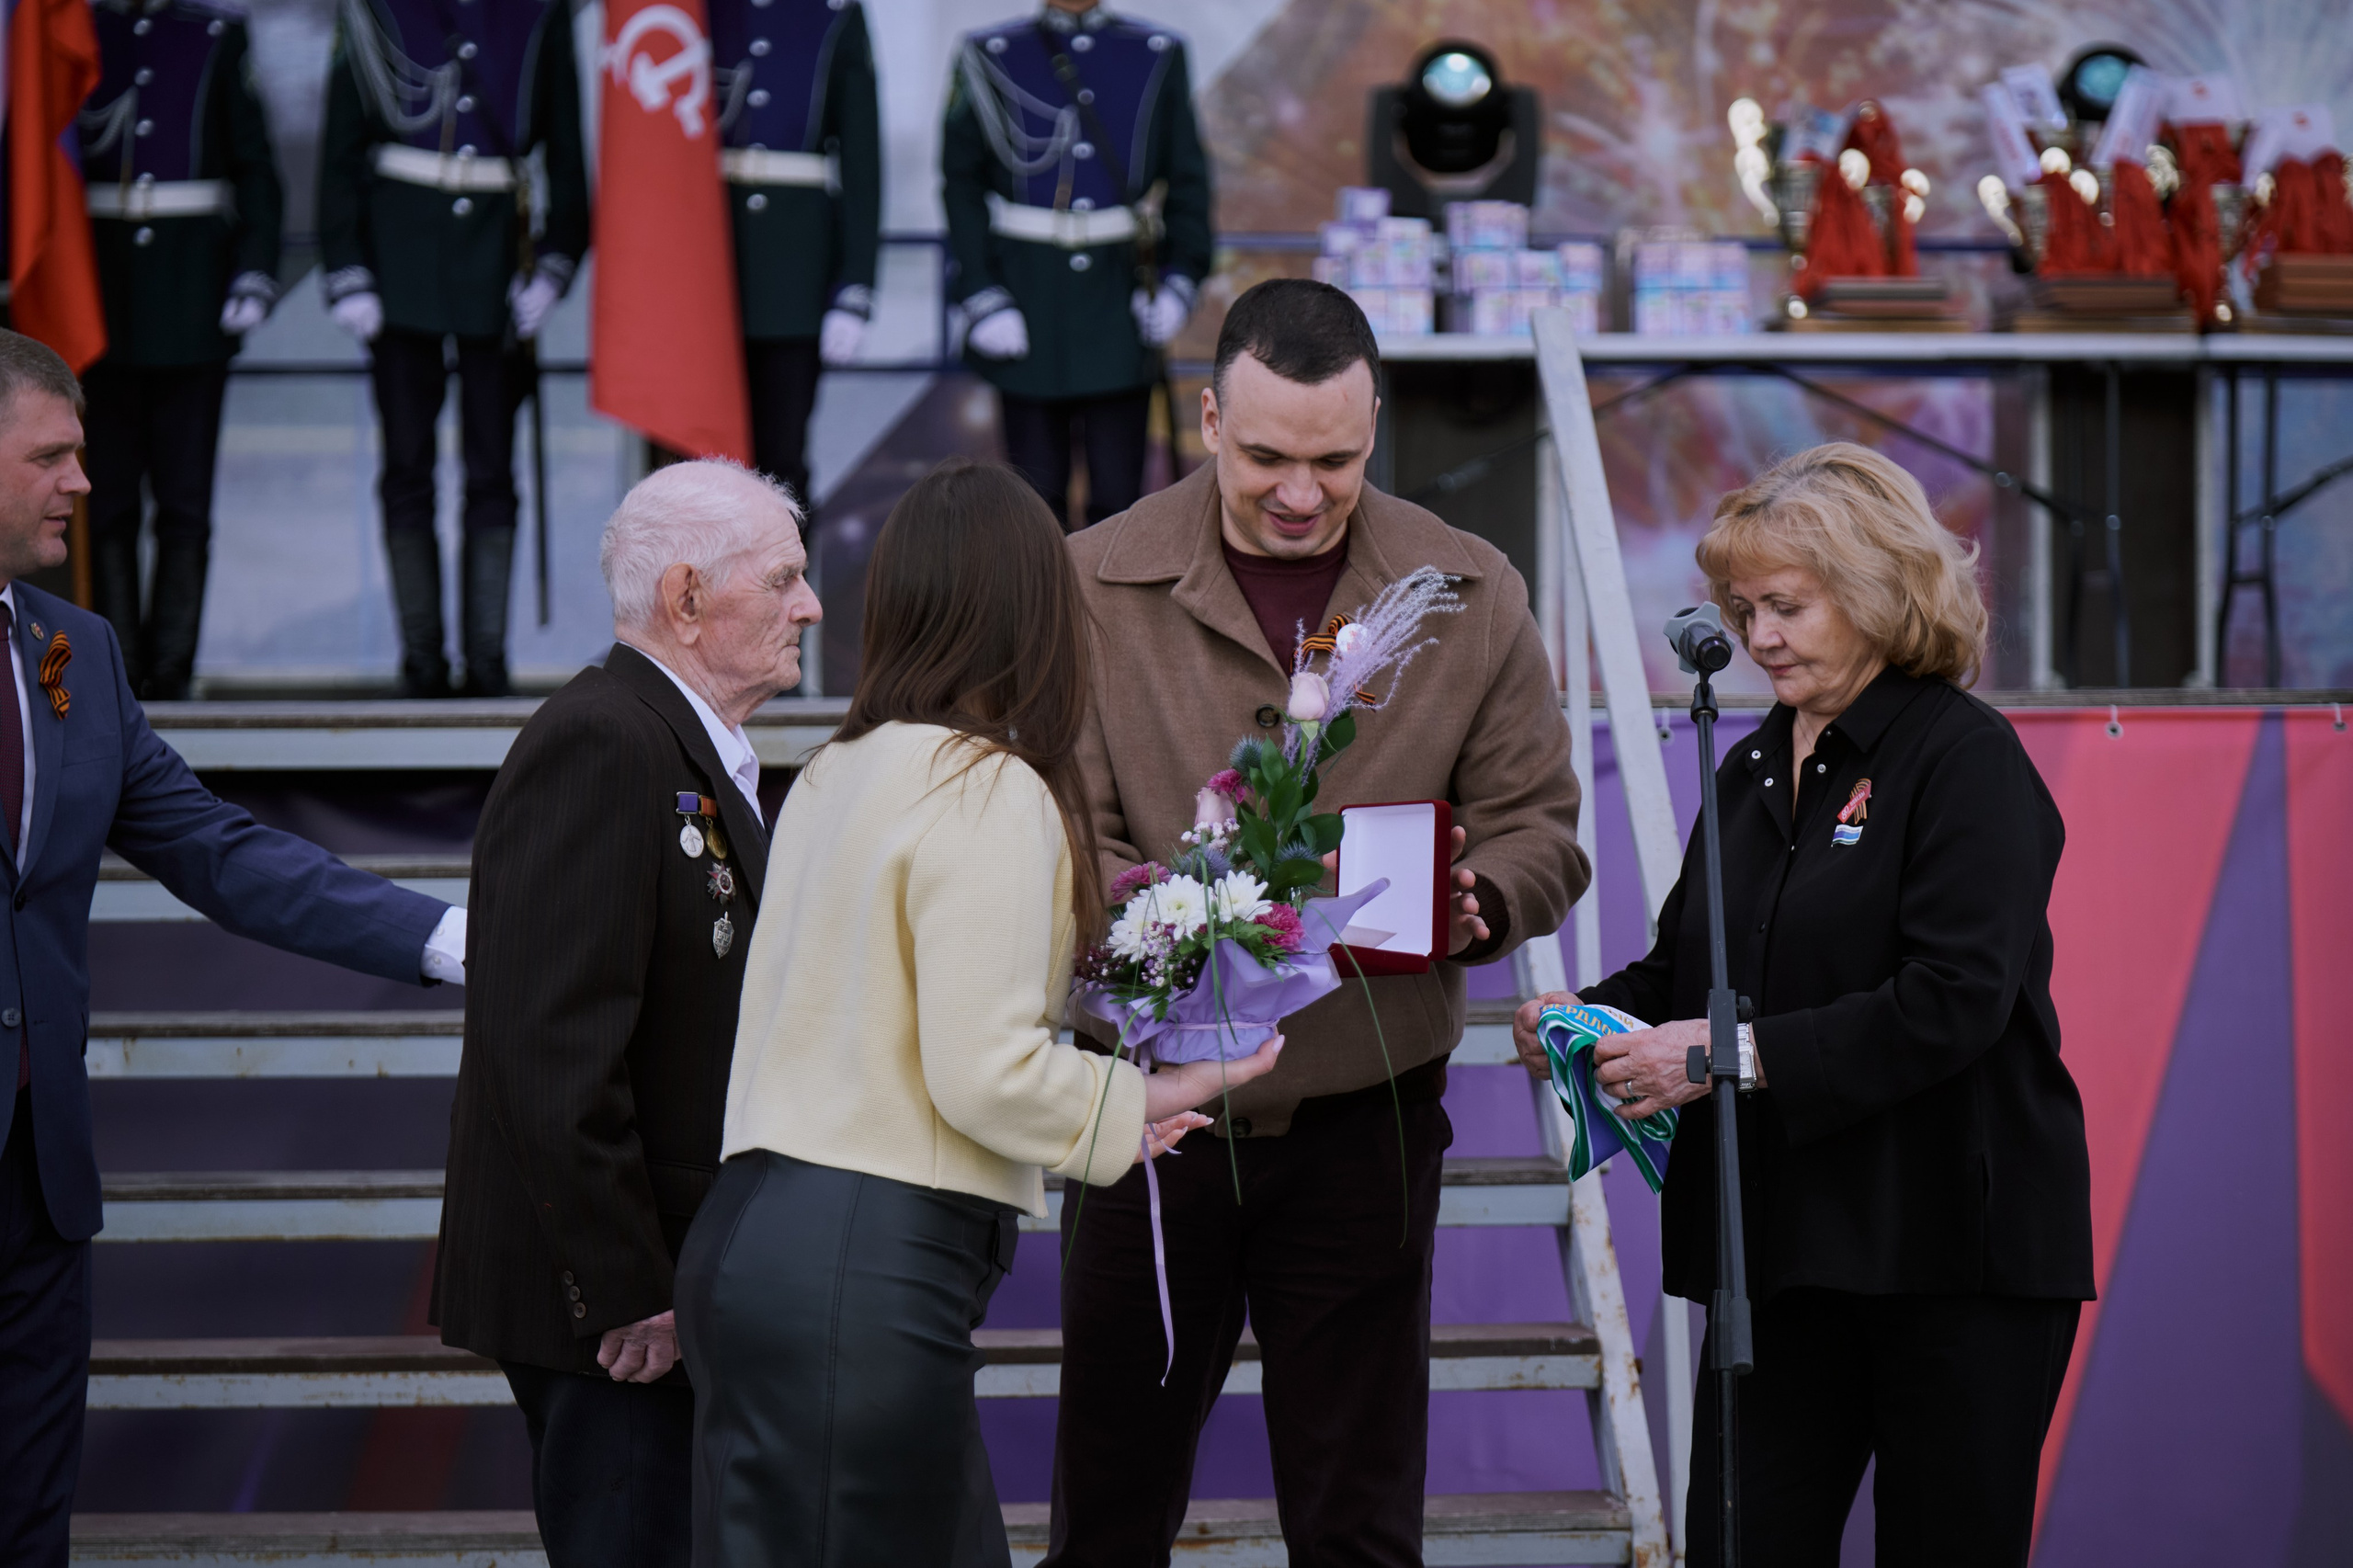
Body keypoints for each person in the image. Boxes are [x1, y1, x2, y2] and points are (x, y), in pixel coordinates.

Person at [1046, 278, 1589, 1565]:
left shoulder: (1471, 586)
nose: (1302, 489)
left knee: (1358, 1522)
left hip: (1367, 1125)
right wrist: (1134, 915)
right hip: (1149, 1126)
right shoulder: (1086, 580)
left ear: (1377, 426)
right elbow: (1058, 830)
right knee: (1110, 1516)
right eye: (1271, 457)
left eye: (1337, 460)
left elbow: (1542, 829)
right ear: (1207, 421)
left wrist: (1485, 896)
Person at [676, 459, 1279, 1567]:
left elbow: (873, 1029)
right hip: (866, 1262)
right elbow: (985, 1072)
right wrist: (1158, 1087)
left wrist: (1106, 1115)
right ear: (1039, 614)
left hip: (746, 1241)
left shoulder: (827, 769)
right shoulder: (990, 785)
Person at [1512, 443, 2093, 1565]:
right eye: (1743, 608)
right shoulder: (1752, 764)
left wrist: (1730, 1054)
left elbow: (1955, 997)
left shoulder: (1965, 757)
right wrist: (1586, 1015)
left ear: (1876, 591)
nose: (1756, 635)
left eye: (1786, 604)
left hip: (1950, 1257)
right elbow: (1693, 966)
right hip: (1779, 1252)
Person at [0, 328, 465, 1568]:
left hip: (35, 1196)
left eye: (82, 454)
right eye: (51, 455)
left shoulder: (76, 652)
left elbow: (217, 849)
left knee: (24, 1516)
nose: (84, 482)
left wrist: (449, 937)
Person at [432, 460, 820, 1568]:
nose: (810, 604)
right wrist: (631, 1288)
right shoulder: (604, 741)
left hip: (662, 1289)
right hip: (615, 1314)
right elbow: (551, 1052)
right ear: (688, 599)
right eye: (785, 578)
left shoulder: (679, 741)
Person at [317, 0, 589, 698]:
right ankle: (423, 664)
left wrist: (554, 267)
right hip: (399, 260)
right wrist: (349, 270)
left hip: (497, 264)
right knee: (406, 468)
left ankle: (486, 663)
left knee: (491, 472)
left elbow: (568, 155)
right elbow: (338, 153)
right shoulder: (376, 13)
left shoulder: (539, 16)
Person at [78, 0, 286, 700]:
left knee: (184, 502)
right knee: (103, 500)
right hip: (97, 291)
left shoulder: (215, 37)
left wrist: (254, 271)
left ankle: (170, 670)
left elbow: (255, 168)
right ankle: (113, 674)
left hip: (193, 293)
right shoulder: (77, 29)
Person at [941, 0, 1211, 529]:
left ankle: (1112, 618)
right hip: (1027, 297)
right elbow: (960, 184)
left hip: (1117, 300)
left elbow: (1188, 184)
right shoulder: (990, 54)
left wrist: (1180, 282)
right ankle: (1044, 617)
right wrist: (983, 295)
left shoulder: (1157, 53)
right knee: (1034, 510)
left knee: (1120, 503)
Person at [711, 0, 882, 513]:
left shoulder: (833, 13)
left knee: (780, 465)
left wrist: (855, 287)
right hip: (702, 263)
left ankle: (783, 593)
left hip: (795, 274)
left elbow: (861, 160)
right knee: (693, 463)